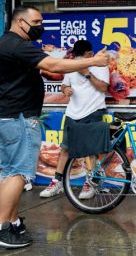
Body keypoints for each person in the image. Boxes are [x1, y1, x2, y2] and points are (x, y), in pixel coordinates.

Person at [0, 6, 109, 249]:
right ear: (19, 22)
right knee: (18, 174)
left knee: (8, 174)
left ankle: (12, 221)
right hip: (19, 118)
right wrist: (94, 60)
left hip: (9, 117)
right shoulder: (16, 44)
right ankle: (3, 228)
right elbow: (54, 66)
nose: (41, 26)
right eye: (37, 21)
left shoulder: (7, 44)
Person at [40, 40, 110, 200]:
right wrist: (66, 90)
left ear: (90, 55)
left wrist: (86, 72)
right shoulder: (70, 67)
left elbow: (103, 88)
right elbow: (63, 86)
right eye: (76, 57)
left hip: (92, 111)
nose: (78, 60)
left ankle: (90, 182)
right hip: (72, 113)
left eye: (81, 56)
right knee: (65, 149)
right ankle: (56, 182)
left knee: (90, 150)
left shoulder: (100, 66)